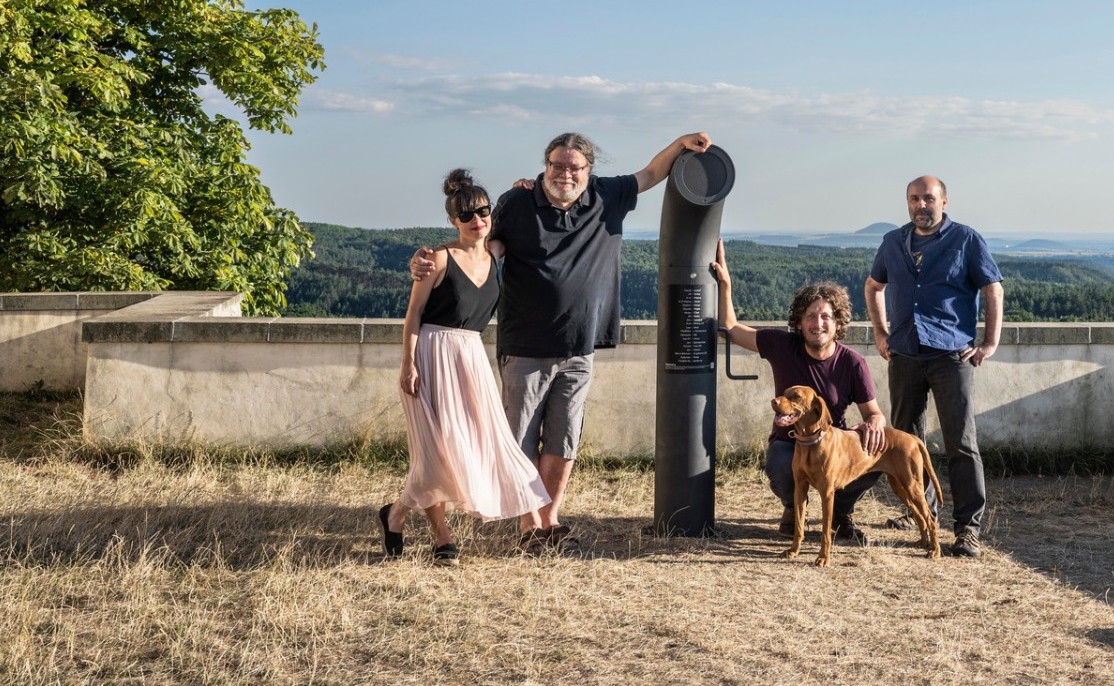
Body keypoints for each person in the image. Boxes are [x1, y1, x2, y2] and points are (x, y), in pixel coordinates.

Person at [411, 130, 710, 553]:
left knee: (563, 440)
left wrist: (682, 143)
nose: (564, 173)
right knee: (519, 440)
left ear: (589, 169)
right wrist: (436, 258)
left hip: (581, 346)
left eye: (574, 167)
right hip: (525, 346)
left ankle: (549, 522)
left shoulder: (609, 196)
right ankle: (528, 527)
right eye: (556, 165)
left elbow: (651, 173)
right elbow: (481, 242)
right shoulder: (517, 202)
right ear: (545, 165)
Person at [380, 169, 551, 565]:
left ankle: (395, 514)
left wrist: (523, 189)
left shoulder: (494, 254)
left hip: (470, 359)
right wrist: (408, 365)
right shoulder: (437, 258)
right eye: (467, 216)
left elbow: (519, 217)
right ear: (453, 221)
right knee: (434, 453)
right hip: (431, 357)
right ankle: (443, 538)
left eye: (484, 212)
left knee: (472, 447)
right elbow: (414, 314)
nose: (477, 221)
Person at [706, 240, 888, 545]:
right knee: (780, 464)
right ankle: (794, 508)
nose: (818, 324)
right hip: (789, 444)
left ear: (837, 322)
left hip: (833, 446)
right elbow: (731, 328)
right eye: (811, 317)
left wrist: (876, 422)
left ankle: (842, 513)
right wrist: (726, 284)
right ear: (800, 323)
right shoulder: (782, 346)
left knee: (875, 453)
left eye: (826, 316)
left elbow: (873, 413)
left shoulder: (852, 363)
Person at [863, 175, 1004, 558]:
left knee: (961, 442)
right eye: (914, 199)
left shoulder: (966, 239)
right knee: (906, 441)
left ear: (944, 201)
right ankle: (920, 512)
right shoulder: (893, 242)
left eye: (928, 198)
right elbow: (873, 286)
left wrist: (989, 342)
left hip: (950, 356)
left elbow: (993, 288)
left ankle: (967, 529)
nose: (920, 205)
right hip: (905, 353)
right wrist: (880, 331)